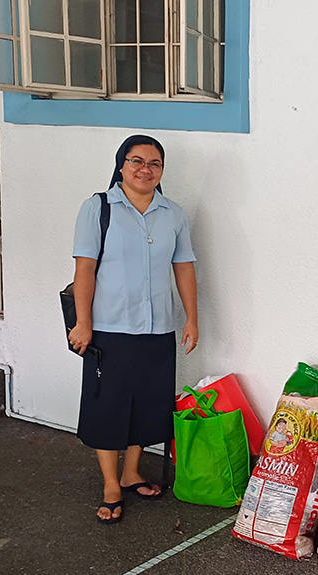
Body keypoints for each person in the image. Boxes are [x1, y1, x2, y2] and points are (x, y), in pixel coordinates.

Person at [68, 135, 199, 524]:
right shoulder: (98, 208)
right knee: (108, 406)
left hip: (157, 328)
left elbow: (184, 267)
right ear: (121, 165)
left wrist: (191, 318)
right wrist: (83, 322)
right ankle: (111, 485)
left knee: (146, 404)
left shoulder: (173, 213)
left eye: (154, 163)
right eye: (136, 161)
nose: (145, 169)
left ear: (162, 170)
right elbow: (85, 269)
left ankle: (131, 473)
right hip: (109, 327)